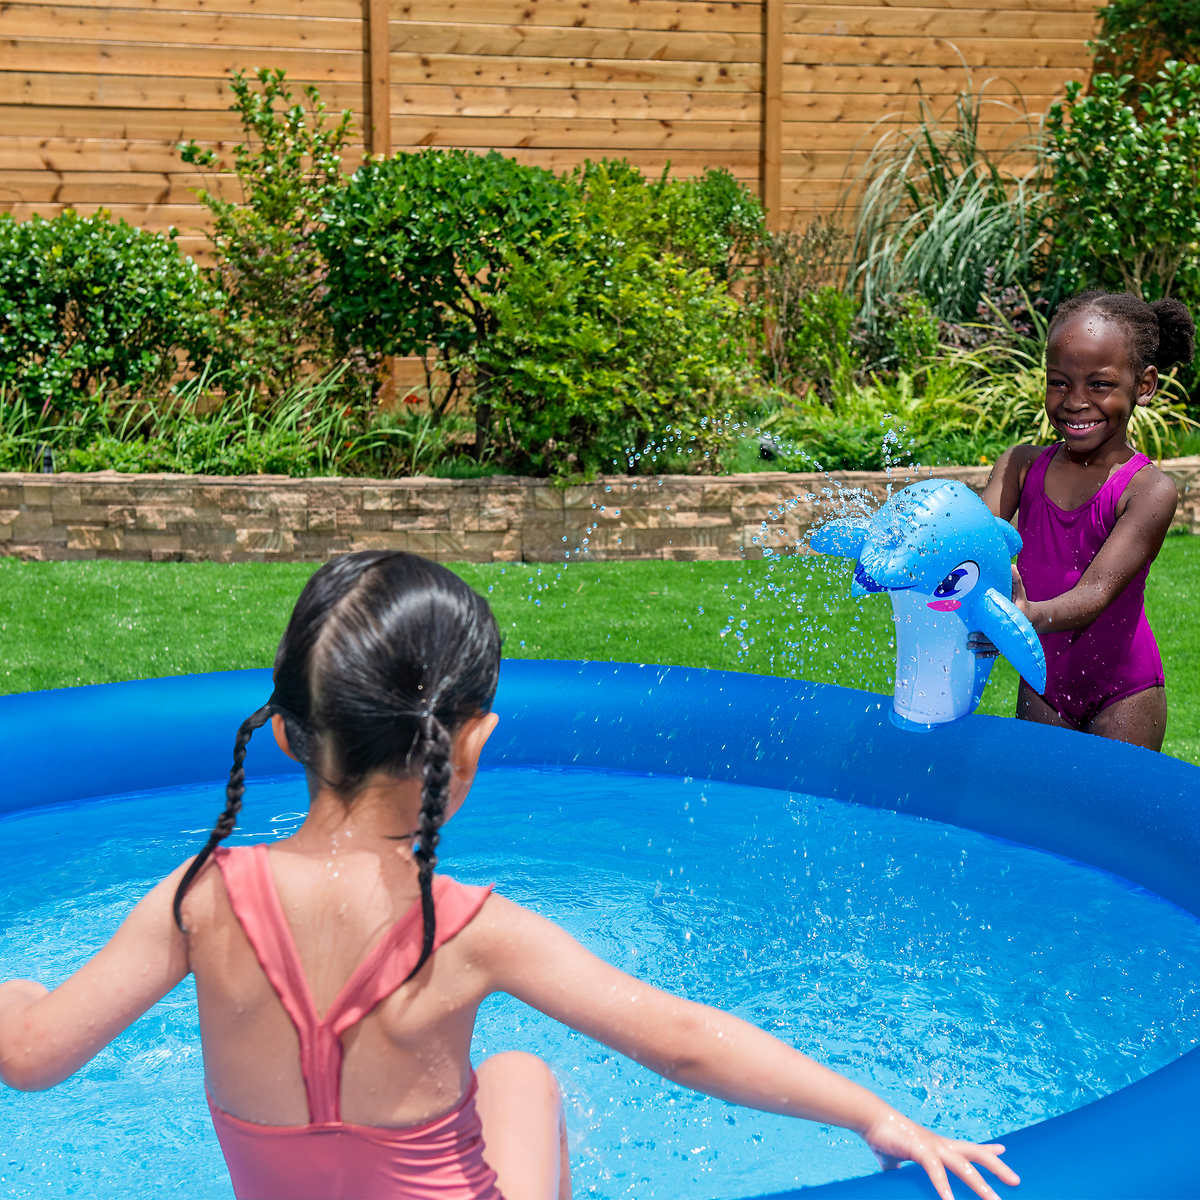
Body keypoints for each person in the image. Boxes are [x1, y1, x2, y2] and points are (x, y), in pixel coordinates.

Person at [0, 551, 1019, 1200]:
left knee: (512, 1081)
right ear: (473, 744)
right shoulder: (470, 928)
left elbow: (34, 1057)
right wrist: (872, 1115)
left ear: (283, 736)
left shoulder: (201, 900)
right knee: (526, 1078)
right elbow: (685, 1044)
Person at [982, 291, 1193, 751]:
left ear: (1144, 385)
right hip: (1043, 684)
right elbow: (971, 541)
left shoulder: (1147, 490)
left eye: (1098, 385)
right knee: (1040, 821)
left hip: (1125, 694)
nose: (1075, 401)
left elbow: (1096, 593)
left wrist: (1027, 617)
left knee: (1115, 823)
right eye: (1058, 382)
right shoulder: (1019, 466)